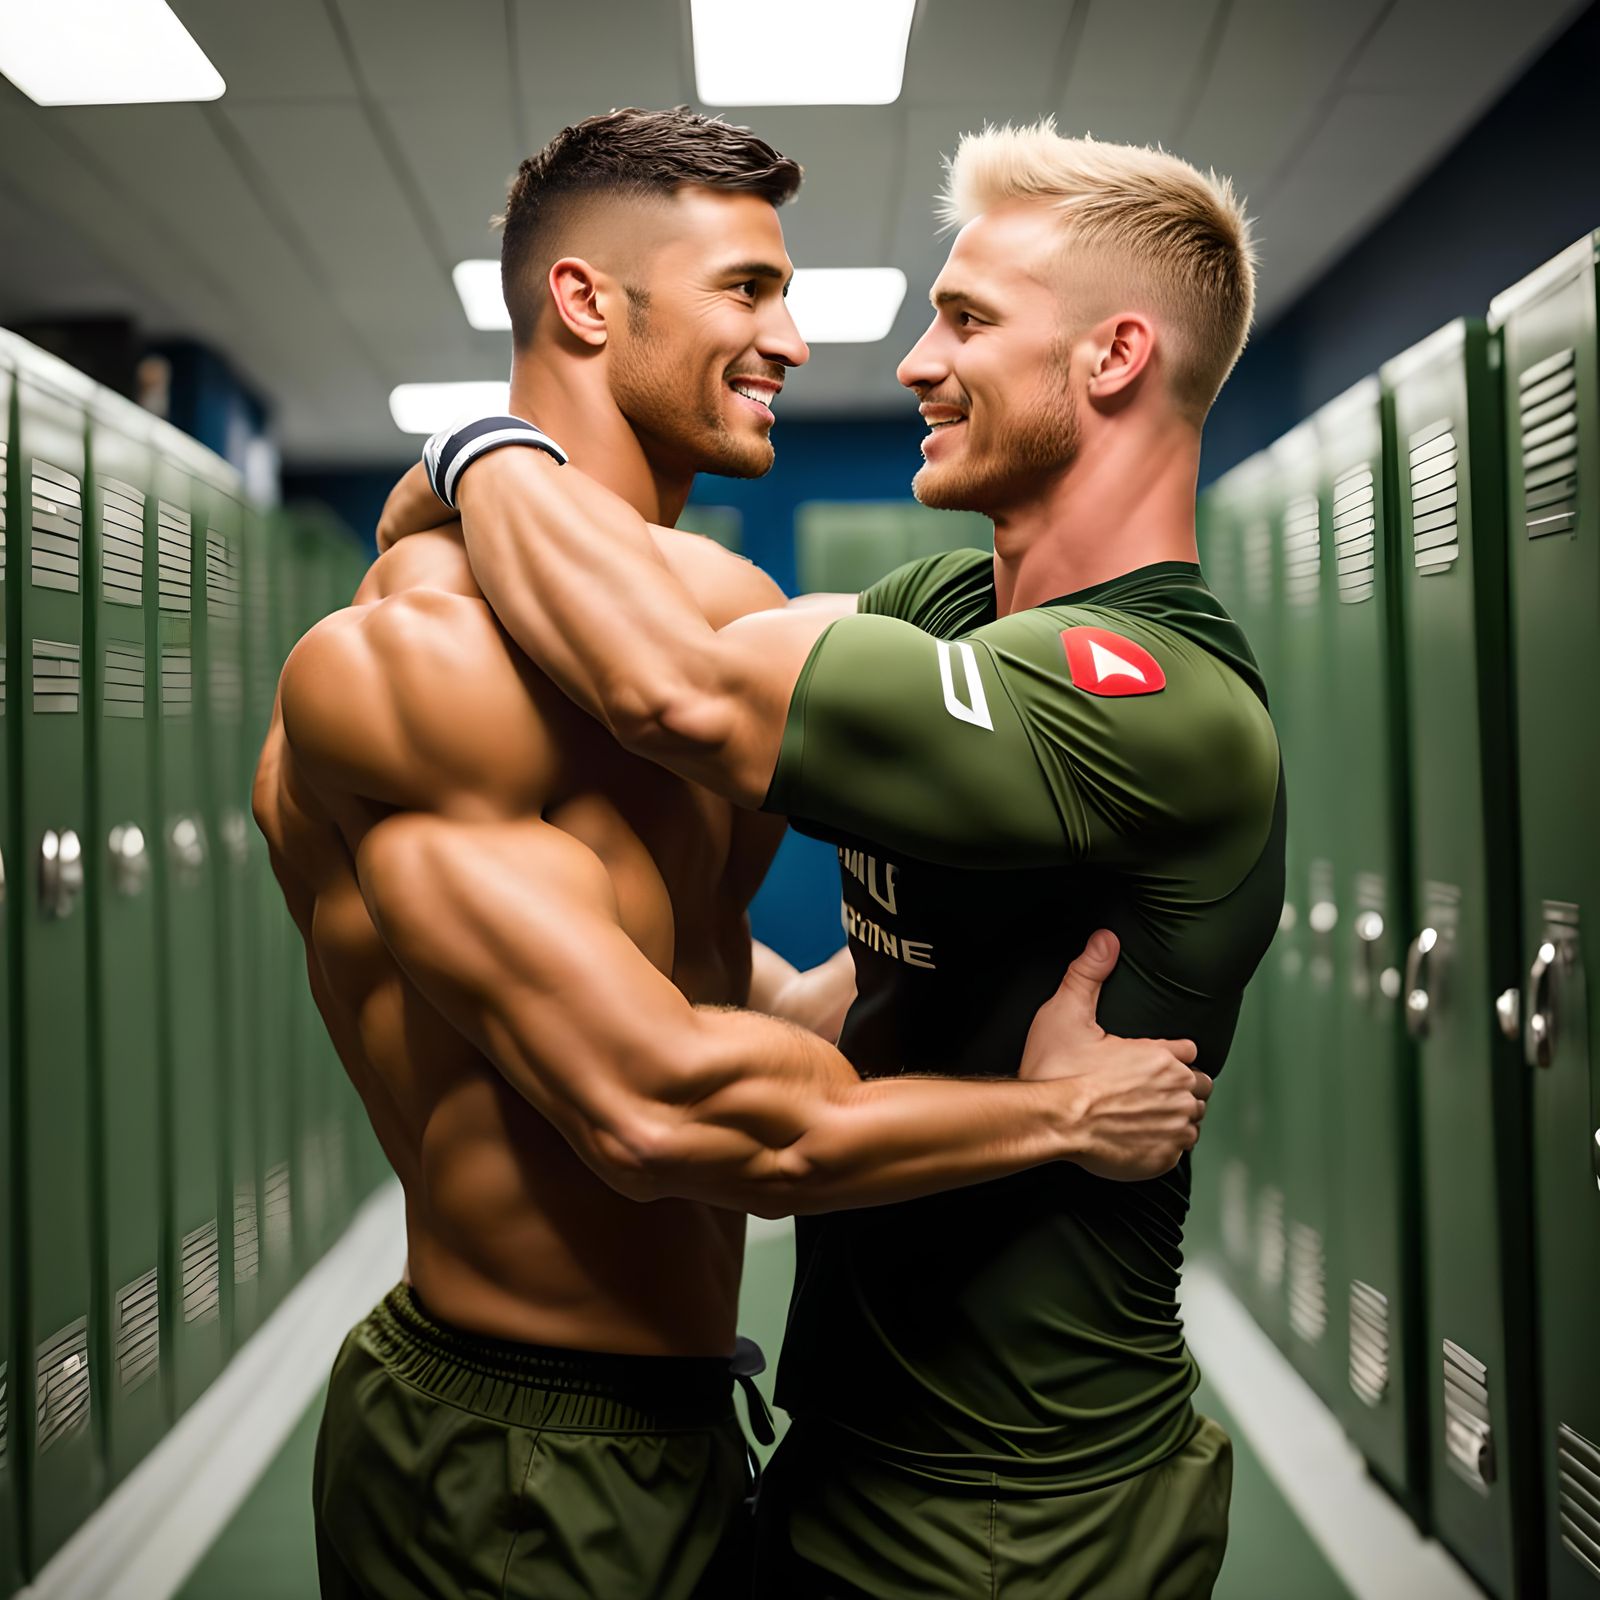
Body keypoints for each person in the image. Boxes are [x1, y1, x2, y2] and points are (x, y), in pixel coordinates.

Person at [258, 109, 1211, 1600]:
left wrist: (934, 967)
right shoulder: (415, 660)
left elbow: (726, 995)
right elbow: (660, 1115)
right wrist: (1051, 1118)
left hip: (698, 1426)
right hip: (514, 1451)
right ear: (586, 301)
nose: (795, 340)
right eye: (747, 291)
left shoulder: (714, 600)